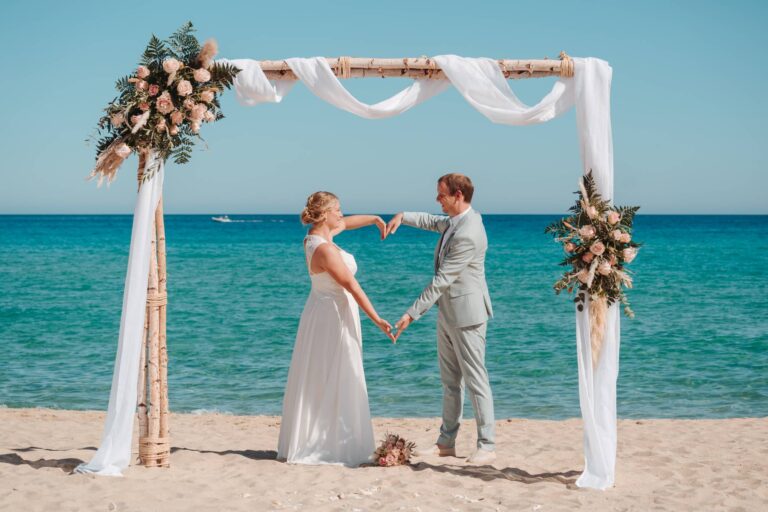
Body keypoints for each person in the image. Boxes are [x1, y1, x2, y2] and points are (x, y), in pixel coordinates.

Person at [277, 191, 394, 467]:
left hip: (322, 311)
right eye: (338, 209)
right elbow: (352, 285)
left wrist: (375, 219)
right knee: (339, 371)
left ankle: (330, 437)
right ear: (325, 214)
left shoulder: (314, 237)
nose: (342, 214)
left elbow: (347, 223)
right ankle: (330, 443)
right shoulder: (325, 250)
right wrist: (377, 319)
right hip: (332, 317)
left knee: (327, 373)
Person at [387, 173, 496, 464]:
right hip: (447, 314)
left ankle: (487, 445)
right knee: (450, 383)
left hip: (467, 316)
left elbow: (441, 281)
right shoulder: (453, 221)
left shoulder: (469, 232)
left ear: (458, 195)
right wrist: (402, 216)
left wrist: (411, 314)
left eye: (441, 194)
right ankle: (446, 443)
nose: (437, 199)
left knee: (476, 380)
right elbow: (430, 221)